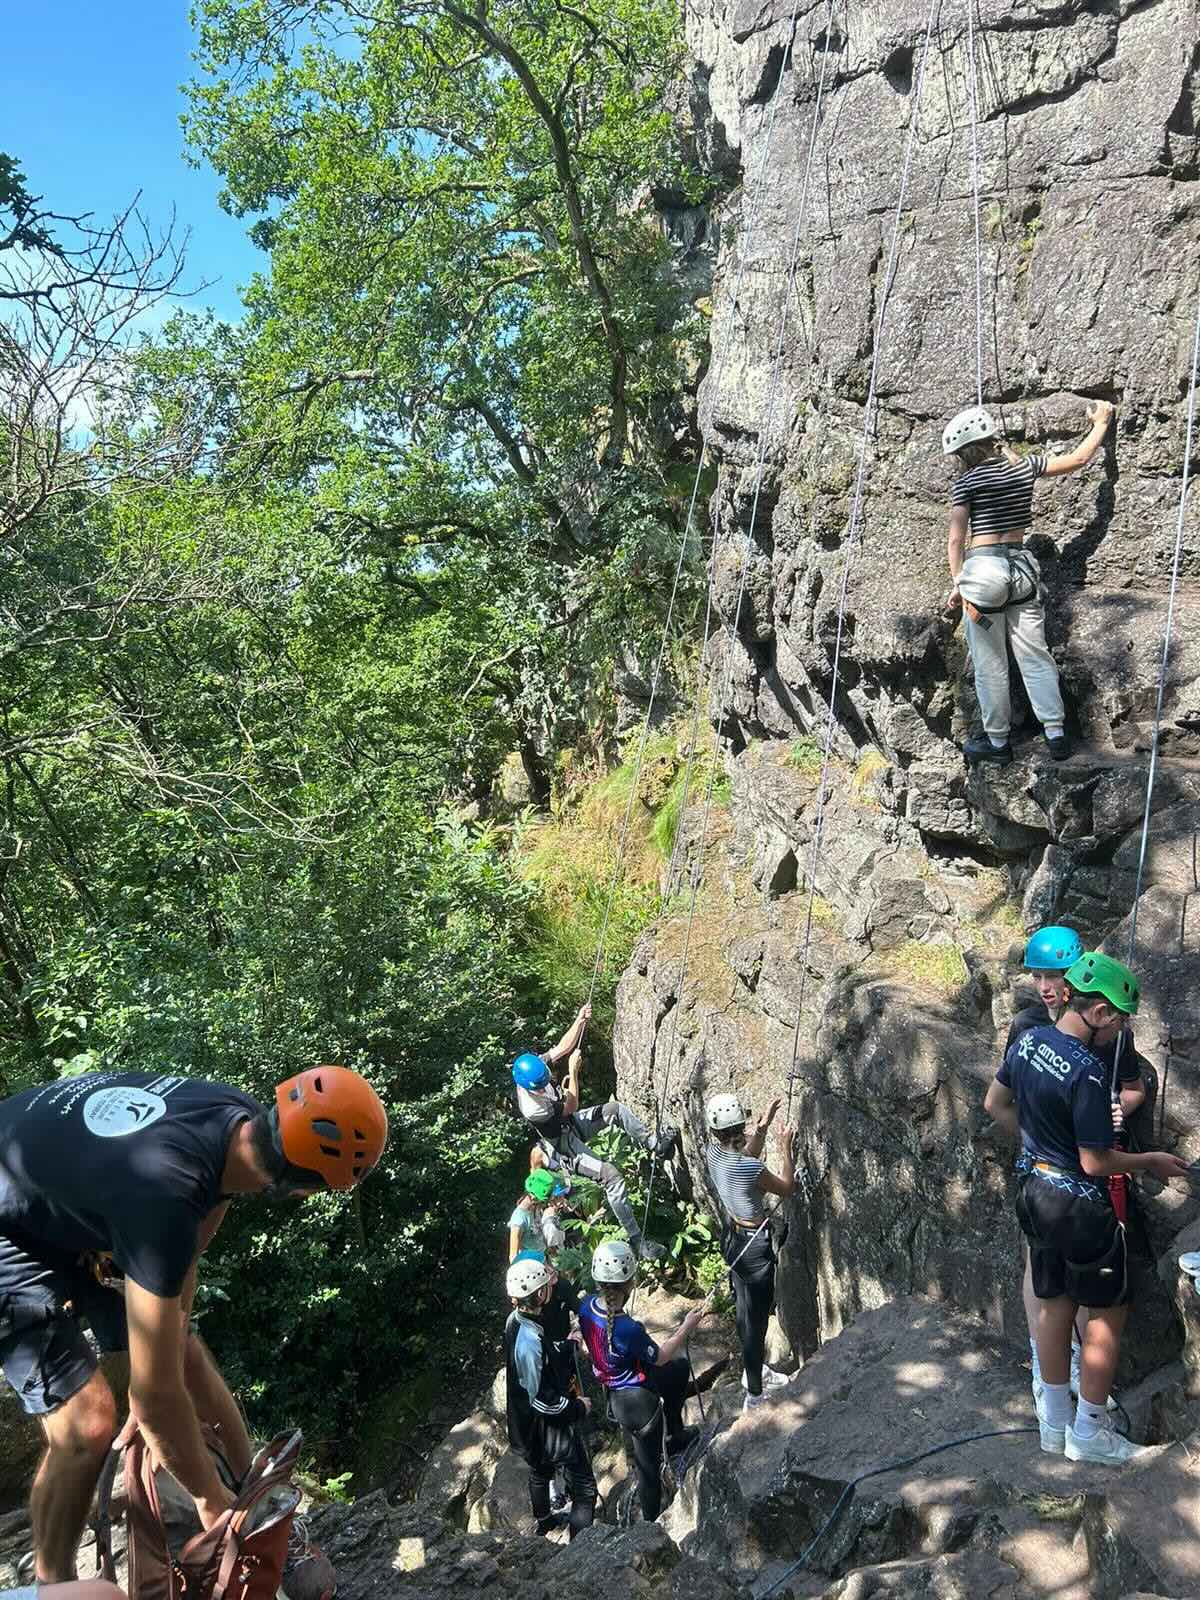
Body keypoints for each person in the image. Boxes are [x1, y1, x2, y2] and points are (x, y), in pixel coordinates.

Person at [0, 1064, 388, 1589]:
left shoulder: (241, 1122)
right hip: (14, 1221)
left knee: (181, 1351)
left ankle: (254, 1501)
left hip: (64, 1195)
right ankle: (55, 1586)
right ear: (306, 1188)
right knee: (86, 1426)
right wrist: (204, 1494)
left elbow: (190, 1246)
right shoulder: (164, 1197)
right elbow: (154, 1395)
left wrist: (163, 1382)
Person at [984, 954, 1189, 1464]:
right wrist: (1151, 1161)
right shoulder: (1090, 1074)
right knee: (1106, 1315)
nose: (1120, 1029)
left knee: (1054, 1304)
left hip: (1032, 1189)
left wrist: (1039, 1145)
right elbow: (1096, 1160)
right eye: (1118, 1019)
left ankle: (1053, 1425)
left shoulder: (1028, 1040)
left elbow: (995, 1104)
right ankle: (1090, 1432)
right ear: (1097, 1012)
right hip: (1078, 1206)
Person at [1005, 927, 1147, 1411]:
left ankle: (1074, 1388)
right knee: (1060, 1280)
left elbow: (1130, 1089)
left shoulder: (1108, 1037)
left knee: (1079, 1284)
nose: (1046, 985)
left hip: (1069, 1172)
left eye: (1055, 975)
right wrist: (1046, 1134)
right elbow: (1010, 1098)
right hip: (1062, 1171)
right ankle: (1064, 1387)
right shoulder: (1028, 1029)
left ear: (1077, 981)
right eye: (1038, 975)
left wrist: (1114, 1112)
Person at [942, 400, 1115, 766]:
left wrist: (959, 580)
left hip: (983, 574)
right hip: (1021, 569)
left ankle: (998, 742)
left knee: (991, 663)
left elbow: (956, 540)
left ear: (964, 452)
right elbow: (1079, 459)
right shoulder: (1024, 468)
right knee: (1034, 655)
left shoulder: (967, 482)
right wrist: (1101, 423)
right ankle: (1056, 735)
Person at [512, 1003, 676, 1260]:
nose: (545, 1086)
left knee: (615, 1110)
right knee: (611, 1176)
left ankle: (655, 1143)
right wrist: (573, 1072)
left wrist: (579, 1020)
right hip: (564, 1146)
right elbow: (571, 1105)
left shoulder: (534, 1069)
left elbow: (562, 1048)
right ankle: (637, 1241)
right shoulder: (533, 1109)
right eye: (541, 1086)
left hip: (570, 1124)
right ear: (530, 1089)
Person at [577, 1240, 704, 1522]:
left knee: (679, 1369)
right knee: (649, 1471)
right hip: (639, 1403)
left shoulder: (586, 1307)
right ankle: (650, 1526)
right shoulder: (627, 1329)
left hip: (616, 1393)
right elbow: (659, 1357)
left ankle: (674, 1433)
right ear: (630, 1282)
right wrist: (686, 1327)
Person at [704, 1092, 796, 1410]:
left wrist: (763, 1128)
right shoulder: (748, 1168)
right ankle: (755, 1394)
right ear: (740, 1125)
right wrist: (785, 1147)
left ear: (715, 1132)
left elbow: (745, 1162)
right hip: (754, 1248)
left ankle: (751, 1374)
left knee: (744, 1309)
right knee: (756, 1323)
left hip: (732, 1238)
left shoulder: (713, 1155)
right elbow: (786, 1187)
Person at [503, 1255, 596, 1540]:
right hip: (543, 1426)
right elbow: (541, 1400)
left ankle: (544, 1523)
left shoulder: (516, 1321)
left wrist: (565, 1347)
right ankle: (581, 1548)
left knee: (540, 1471)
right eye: (546, 1286)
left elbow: (539, 1363)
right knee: (585, 1488)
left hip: (524, 1422)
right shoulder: (528, 1341)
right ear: (540, 1293)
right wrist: (577, 1408)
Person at [508, 1169, 568, 1263]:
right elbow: (513, 1257)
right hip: (530, 1266)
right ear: (534, 1198)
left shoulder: (536, 1209)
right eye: (544, 1201)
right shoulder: (519, 1220)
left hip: (543, 1259)